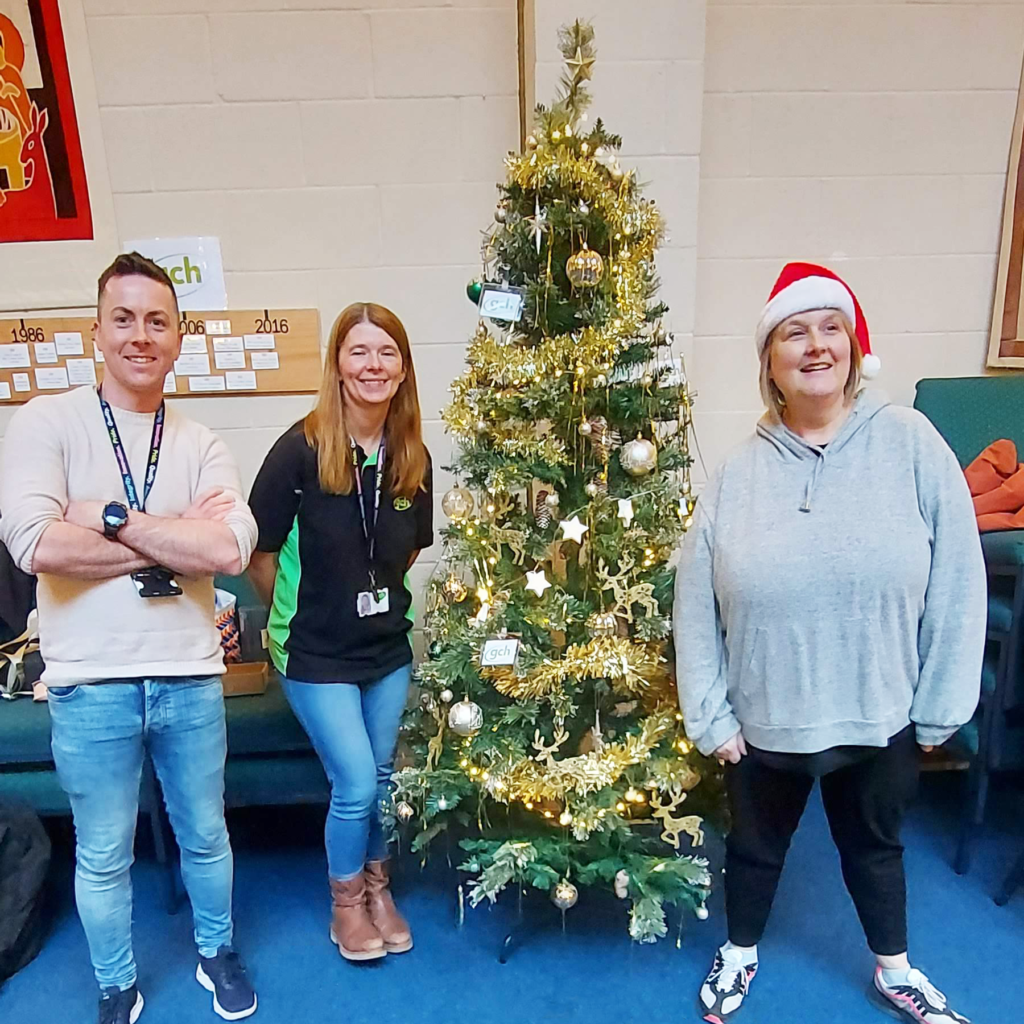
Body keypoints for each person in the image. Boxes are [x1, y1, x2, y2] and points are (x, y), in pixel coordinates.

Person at [674, 262, 986, 1024]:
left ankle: (895, 969)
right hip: (764, 718)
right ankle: (740, 951)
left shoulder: (910, 442)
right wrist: (710, 715)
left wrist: (944, 700)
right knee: (754, 848)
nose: (815, 345)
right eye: (793, 332)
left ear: (852, 347)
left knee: (875, 846)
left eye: (830, 327)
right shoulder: (738, 471)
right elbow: (693, 597)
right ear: (769, 364)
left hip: (879, 710)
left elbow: (959, 573)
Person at [0, 253, 259, 1024]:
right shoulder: (47, 420)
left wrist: (113, 519)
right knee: (104, 854)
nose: (140, 336)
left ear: (178, 337)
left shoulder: (201, 440)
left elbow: (231, 549)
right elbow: (35, 544)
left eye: (157, 321)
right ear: (96, 332)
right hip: (90, 682)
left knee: (206, 835)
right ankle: (117, 985)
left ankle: (218, 952)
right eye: (124, 319)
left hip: (188, 674)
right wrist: (174, 541)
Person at [247, 302, 432, 962]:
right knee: (354, 781)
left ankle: (380, 890)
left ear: (404, 369)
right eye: (358, 351)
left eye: (386, 352)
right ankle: (346, 904)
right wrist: (295, 618)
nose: (372, 364)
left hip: (383, 649)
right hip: (313, 651)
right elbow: (259, 554)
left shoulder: (413, 455)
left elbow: (406, 553)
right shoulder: (299, 450)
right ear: (337, 365)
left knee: (380, 778)